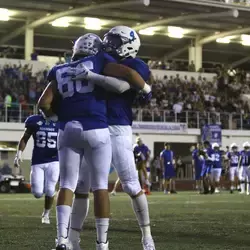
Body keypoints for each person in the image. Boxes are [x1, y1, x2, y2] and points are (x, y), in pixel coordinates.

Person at [38, 32, 153, 250]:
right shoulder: (99, 59)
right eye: (109, 39)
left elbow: (124, 85)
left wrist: (92, 76)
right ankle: (74, 240)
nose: (110, 44)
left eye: (116, 41)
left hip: (116, 127)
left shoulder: (130, 63)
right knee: (83, 186)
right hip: (95, 127)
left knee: (129, 184)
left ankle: (147, 236)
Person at [14, 114, 59, 224]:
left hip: (55, 160)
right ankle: (44, 186)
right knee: (37, 193)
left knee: (50, 189)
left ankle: (46, 214)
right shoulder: (34, 120)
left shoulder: (60, 119)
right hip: (38, 161)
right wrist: (18, 153)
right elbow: (25, 138)